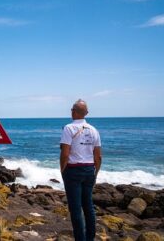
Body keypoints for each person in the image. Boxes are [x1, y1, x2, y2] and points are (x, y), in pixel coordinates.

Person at [60, 99, 102, 241]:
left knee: (76, 209)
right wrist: (95, 173)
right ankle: (90, 238)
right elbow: (98, 156)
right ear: (86, 113)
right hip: (89, 169)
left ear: (75, 112)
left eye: (72, 109)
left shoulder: (68, 128)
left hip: (73, 170)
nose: (71, 111)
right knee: (88, 207)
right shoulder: (94, 130)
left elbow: (65, 153)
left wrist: (63, 171)